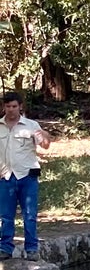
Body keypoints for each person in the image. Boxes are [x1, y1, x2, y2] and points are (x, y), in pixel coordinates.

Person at [0, 90, 50, 260]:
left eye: (14, 106)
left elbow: (45, 145)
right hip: (5, 177)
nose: (11, 109)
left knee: (30, 215)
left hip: (27, 177)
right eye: (8, 106)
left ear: (20, 107)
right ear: (4, 107)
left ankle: (31, 250)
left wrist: (43, 136)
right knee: (6, 216)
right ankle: (5, 248)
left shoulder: (31, 125)